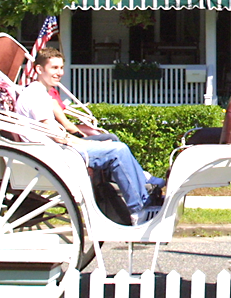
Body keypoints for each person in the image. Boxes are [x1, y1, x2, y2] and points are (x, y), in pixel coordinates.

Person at [15, 47, 157, 225]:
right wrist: (80, 143)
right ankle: (139, 208)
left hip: (54, 148)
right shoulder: (36, 95)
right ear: (39, 69)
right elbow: (56, 135)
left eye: (61, 68)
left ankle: (144, 182)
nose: (59, 72)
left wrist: (85, 139)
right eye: (54, 68)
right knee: (118, 150)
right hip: (52, 153)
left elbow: (59, 129)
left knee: (111, 139)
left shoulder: (40, 91)